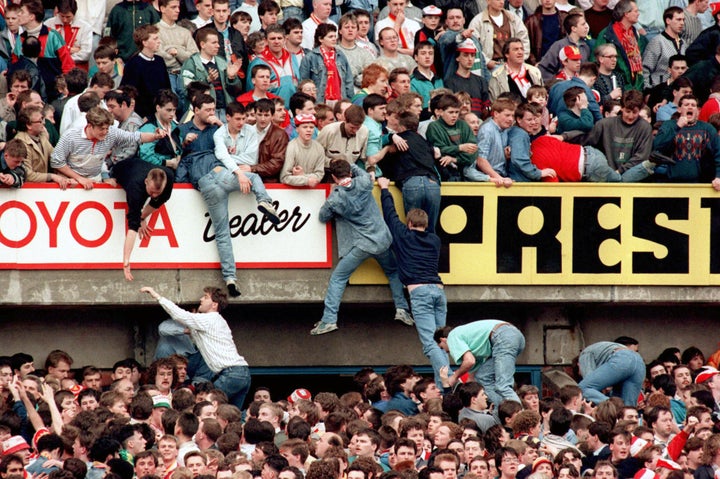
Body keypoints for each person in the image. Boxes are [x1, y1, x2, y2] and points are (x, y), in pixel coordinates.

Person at [310, 158, 413, 336]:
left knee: (338, 279)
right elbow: (364, 174)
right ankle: (402, 310)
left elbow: (322, 216)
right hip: (381, 240)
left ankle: (328, 320)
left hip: (360, 244)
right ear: (349, 172)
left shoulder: (335, 197)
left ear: (333, 177)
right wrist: (351, 164)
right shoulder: (364, 182)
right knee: (393, 272)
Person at [377, 172, 447, 387]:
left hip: (420, 293)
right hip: (438, 291)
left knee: (430, 345)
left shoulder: (403, 235)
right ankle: (444, 384)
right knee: (442, 343)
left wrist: (384, 188)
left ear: (409, 223)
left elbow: (389, 215)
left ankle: (446, 381)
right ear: (426, 224)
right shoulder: (434, 240)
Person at [206, 100, 281, 296]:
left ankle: (230, 278)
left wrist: (232, 161)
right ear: (227, 118)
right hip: (221, 176)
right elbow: (222, 157)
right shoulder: (219, 134)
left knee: (222, 232)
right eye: (238, 119)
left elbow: (251, 160)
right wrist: (239, 172)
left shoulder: (249, 131)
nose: (242, 122)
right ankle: (264, 201)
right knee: (253, 177)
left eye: (244, 119)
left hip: (225, 173)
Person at [140, 285, 251, 411]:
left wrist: (157, 296)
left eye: (205, 297)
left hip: (231, 374)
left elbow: (179, 314)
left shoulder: (210, 318)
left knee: (202, 407)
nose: (201, 299)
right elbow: (165, 328)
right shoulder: (213, 321)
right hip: (241, 374)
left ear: (214, 305)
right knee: (231, 414)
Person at [50, 107, 166, 189]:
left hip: (94, 180)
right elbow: (56, 162)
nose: (105, 132)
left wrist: (155, 136)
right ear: (90, 125)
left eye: (107, 128)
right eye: (101, 129)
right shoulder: (71, 136)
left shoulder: (110, 133)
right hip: (72, 181)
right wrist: (79, 178)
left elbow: (135, 137)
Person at [434, 320, 526, 406]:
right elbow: (472, 378)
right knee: (482, 377)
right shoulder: (472, 345)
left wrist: (454, 377)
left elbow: (469, 361)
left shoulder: (452, 337)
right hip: (512, 337)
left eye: (442, 347)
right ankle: (502, 408)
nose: (445, 351)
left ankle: (519, 417)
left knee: (503, 386)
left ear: (443, 340)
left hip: (503, 336)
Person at [111, 160, 174, 281]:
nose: (154, 195)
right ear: (146, 182)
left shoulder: (169, 176)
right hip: (121, 169)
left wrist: (142, 217)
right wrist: (126, 260)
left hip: (140, 167)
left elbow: (158, 202)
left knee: (158, 200)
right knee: (135, 220)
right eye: (151, 192)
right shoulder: (135, 188)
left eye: (157, 192)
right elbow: (132, 228)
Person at [121, 24, 172, 121]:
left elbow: (167, 88)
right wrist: (143, 115)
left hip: (161, 112)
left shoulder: (160, 61)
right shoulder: (134, 64)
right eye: (155, 39)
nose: (159, 41)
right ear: (144, 42)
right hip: (142, 116)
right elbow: (129, 93)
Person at [593, 0, 647, 92]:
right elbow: (595, 60)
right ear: (626, 14)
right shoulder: (607, 35)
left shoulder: (637, 35)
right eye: (635, 11)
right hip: (615, 86)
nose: (638, 14)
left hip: (637, 87)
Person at [468, 0, 530, 72]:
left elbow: (524, 40)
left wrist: (520, 58)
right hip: (490, 67)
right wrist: (487, 61)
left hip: (513, 64)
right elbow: (473, 45)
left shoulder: (513, 18)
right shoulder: (478, 21)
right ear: (488, 1)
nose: (502, 2)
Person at [298, 23, 354, 104]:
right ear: (321, 39)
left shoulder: (340, 55)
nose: (334, 39)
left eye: (335, 36)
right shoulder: (310, 57)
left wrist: (349, 101)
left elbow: (348, 80)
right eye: (330, 37)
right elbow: (303, 83)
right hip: (319, 102)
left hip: (340, 100)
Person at [577, 340, 645, 406]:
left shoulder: (584, 354)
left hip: (622, 359)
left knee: (581, 389)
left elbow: (588, 383)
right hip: (639, 361)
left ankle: (613, 407)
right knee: (628, 408)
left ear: (578, 364)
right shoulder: (600, 351)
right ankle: (620, 410)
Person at [642, 7, 686, 90]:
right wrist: (647, 90)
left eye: (683, 20)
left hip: (678, 89)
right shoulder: (657, 42)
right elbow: (645, 68)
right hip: (659, 89)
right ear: (668, 21)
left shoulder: (683, 43)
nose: (682, 23)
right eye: (678, 19)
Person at [488, 37, 543, 102]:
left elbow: (543, 96)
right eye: (516, 49)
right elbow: (495, 103)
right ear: (507, 54)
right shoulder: (497, 76)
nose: (520, 52)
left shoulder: (534, 72)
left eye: (522, 49)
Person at [280, 113, 325, 187]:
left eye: (311, 127)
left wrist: (303, 175)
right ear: (297, 129)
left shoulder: (319, 148)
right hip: (292, 192)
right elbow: (284, 177)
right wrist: (306, 180)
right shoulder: (291, 147)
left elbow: (320, 174)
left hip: (312, 192)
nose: (308, 130)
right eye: (305, 127)